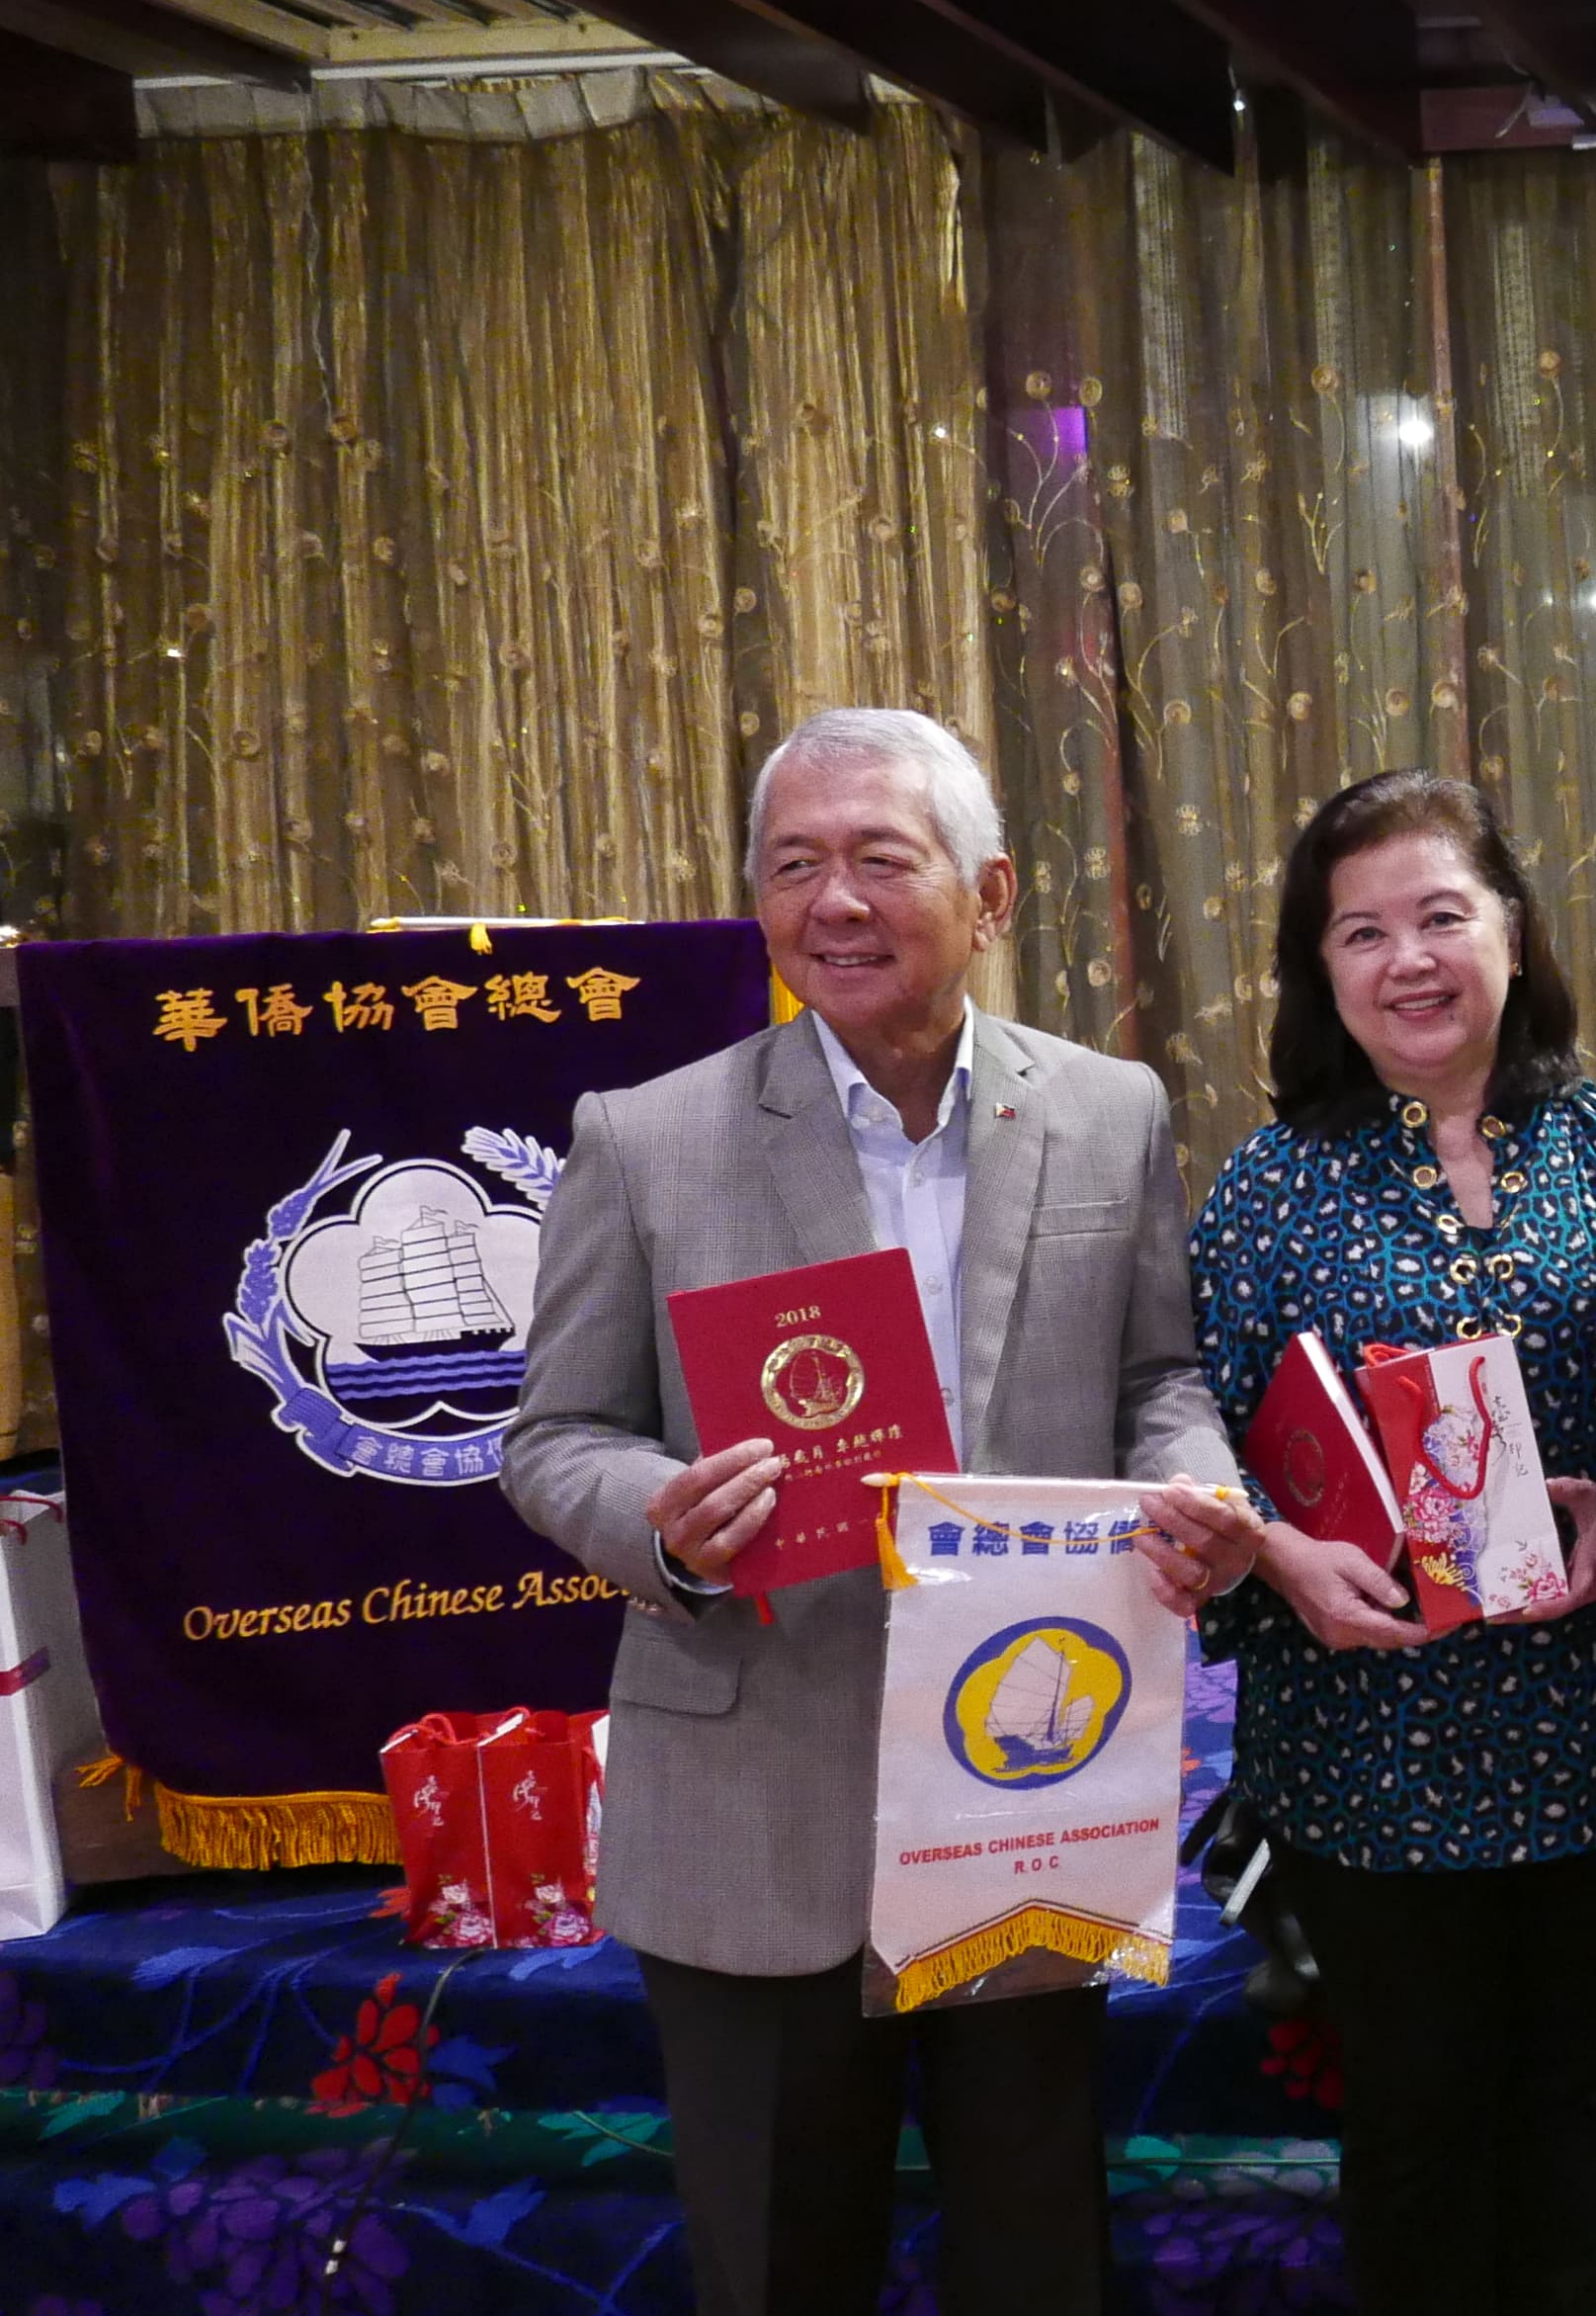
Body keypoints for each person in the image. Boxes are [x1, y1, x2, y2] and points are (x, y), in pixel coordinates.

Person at [506, 707, 1261, 2316]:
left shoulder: (1109, 1111)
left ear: (991, 895)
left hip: (1027, 1781)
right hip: (756, 1795)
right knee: (780, 2268)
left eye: (878, 859)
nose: (833, 902)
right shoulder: (648, 1137)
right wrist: (664, 1520)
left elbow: (1158, 1375)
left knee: (1036, 2253)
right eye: (793, 867)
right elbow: (556, 1436)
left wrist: (1197, 1481)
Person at [1187, 770, 1596, 2316]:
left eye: (1441, 917)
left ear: (1514, 938)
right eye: (1361, 932)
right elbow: (1191, 1437)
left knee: (1578, 2116)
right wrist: (1273, 1550)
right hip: (1366, 1745)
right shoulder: (1265, 1193)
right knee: (1414, 2138)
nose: (1407, 960)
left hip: (1592, 1727)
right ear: (1319, 972)